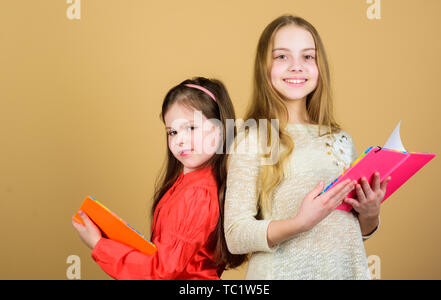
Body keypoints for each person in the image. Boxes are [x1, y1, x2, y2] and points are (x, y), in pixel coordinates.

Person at [224, 15, 391, 279]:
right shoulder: (253, 138)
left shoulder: (341, 140)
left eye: (307, 57)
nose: (296, 67)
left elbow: (345, 231)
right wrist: (300, 223)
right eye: (282, 57)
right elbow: (235, 235)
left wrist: (370, 214)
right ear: (263, 68)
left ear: (319, 66)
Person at [72, 77, 246, 279]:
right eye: (172, 132)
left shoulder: (198, 193)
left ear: (219, 129)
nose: (180, 140)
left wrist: (99, 245)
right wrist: (115, 236)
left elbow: (162, 271)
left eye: (191, 128)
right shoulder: (185, 183)